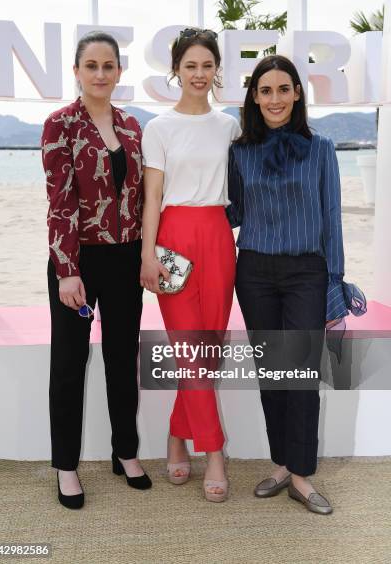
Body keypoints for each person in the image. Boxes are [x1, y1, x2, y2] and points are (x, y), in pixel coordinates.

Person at [228, 54, 350, 514]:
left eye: (283, 89)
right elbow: (234, 212)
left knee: (299, 375)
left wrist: (335, 281)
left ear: (297, 93)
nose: (274, 99)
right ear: (254, 98)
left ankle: (301, 476)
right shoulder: (239, 151)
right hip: (254, 272)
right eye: (265, 91)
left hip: (306, 272)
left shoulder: (321, 148)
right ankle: (281, 463)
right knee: (272, 375)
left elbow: (331, 218)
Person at [42, 31, 151, 510]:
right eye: (92, 65)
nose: (101, 74)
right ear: (77, 71)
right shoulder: (59, 124)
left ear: (119, 72)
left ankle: (124, 451)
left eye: (109, 66)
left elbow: (143, 198)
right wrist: (67, 270)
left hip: (126, 259)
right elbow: (60, 200)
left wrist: (149, 254)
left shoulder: (131, 125)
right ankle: (66, 466)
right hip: (78, 263)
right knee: (70, 363)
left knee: (122, 359)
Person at [140, 27, 240, 502]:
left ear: (216, 69)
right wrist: (146, 253)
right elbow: (153, 198)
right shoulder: (158, 128)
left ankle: (178, 434)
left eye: (206, 65)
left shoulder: (230, 125)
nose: (199, 74)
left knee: (208, 349)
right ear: (175, 70)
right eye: (190, 66)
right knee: (189, 350)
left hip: (218, 237)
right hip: (173, 239)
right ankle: (214, 452)